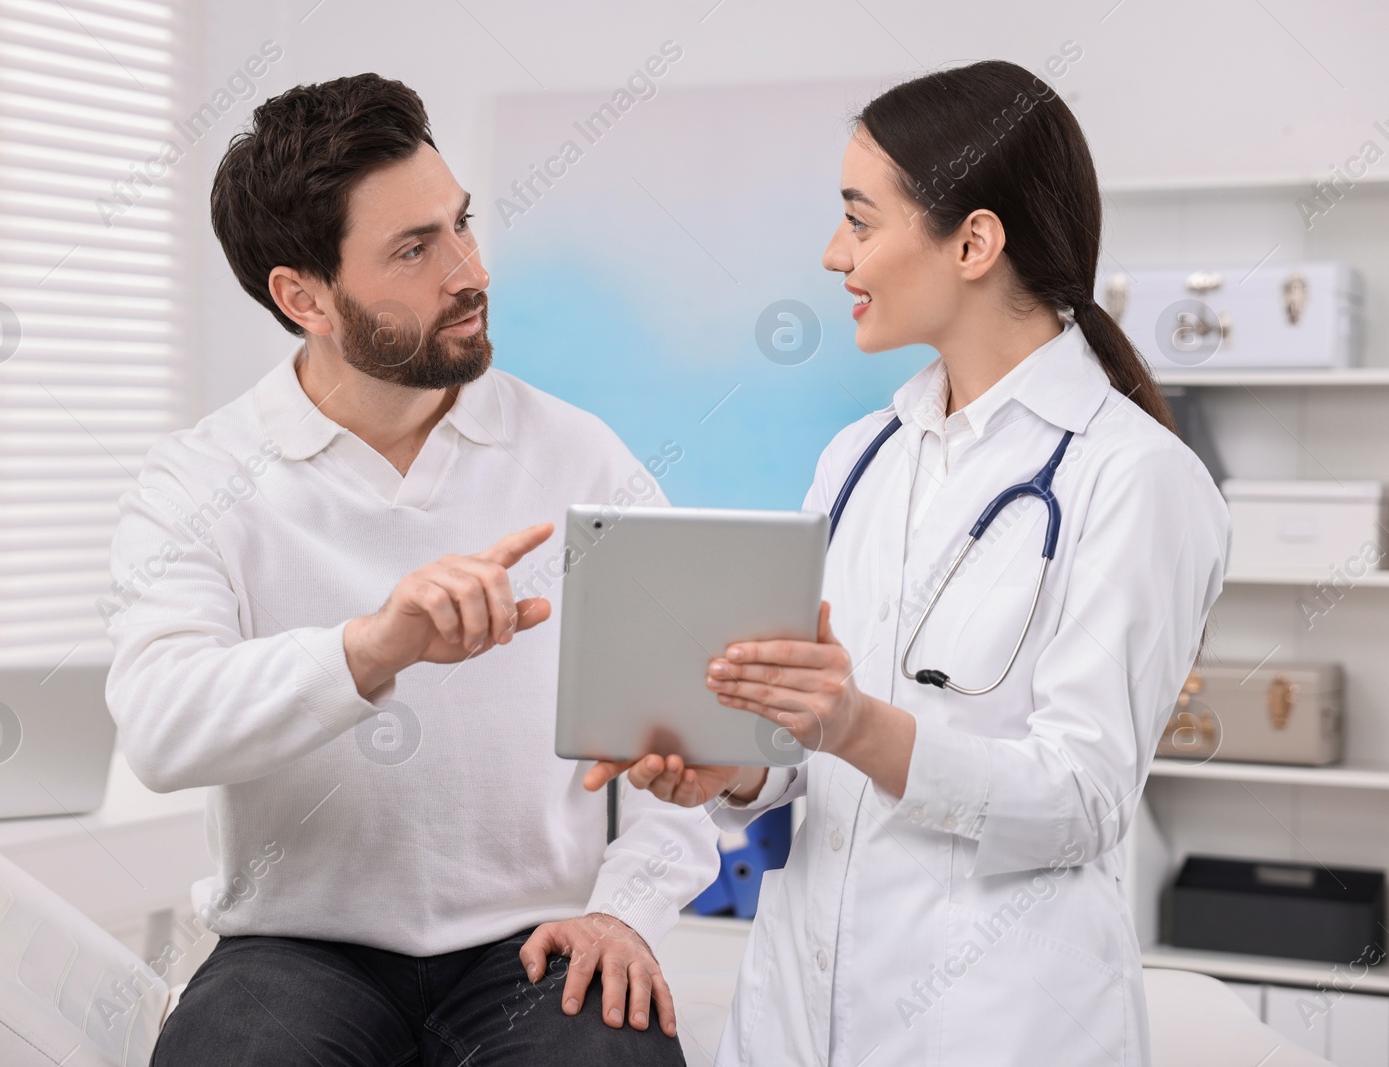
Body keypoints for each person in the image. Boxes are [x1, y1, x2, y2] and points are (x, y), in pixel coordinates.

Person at [586, 60, 1230, 1066]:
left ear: (973, 240)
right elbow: (810, 756)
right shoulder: (858, 458)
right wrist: (741, 764)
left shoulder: (1135, 479)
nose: (833, 253)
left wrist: (858, 725)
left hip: (997, 1026)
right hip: (797, 1022)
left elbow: (1083, 800)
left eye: (860, 219)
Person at [107, 74, 716, 1066]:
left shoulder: (579, 455)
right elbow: (162, 725)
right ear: (304, 296)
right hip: (295, 946)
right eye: (413, 249)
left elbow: (682, 737)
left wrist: (629, 910)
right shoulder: (203, 476)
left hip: (536, 936)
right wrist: (373, 647)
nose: (468, 270)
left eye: (461, 225)